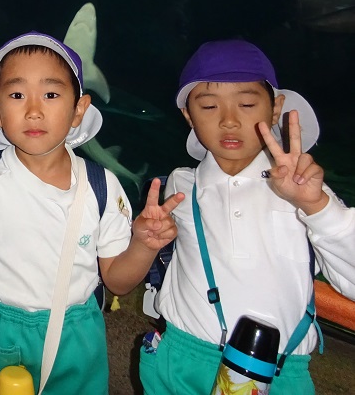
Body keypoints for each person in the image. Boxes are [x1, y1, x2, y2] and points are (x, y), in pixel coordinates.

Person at [0, 32, 181, 394]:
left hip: (75, 333)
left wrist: (144, 245)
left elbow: (118, 282)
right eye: (17, 95)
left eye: (51, 94)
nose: (33, 110)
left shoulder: (101, 185)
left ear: (79, 109)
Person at [140, 39, 355, 395]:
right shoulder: (181, 185)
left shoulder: (306, 191)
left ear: (275, 108)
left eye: (247, 104)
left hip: (279, 372)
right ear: (188, 116)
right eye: (209, 106)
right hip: (181, 361)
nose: (228, 120)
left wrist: (317, 207)